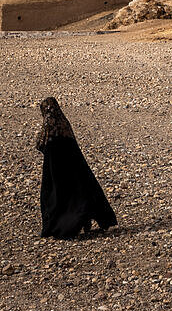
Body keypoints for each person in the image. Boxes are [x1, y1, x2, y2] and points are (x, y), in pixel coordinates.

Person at [36, 97, 117, 239]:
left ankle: (58, 229)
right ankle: (81, 222)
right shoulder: (64, 124)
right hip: (74, 171)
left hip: (55, 173)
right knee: (79, 195)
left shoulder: (49, 127)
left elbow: (40, 144)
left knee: (55, 198)